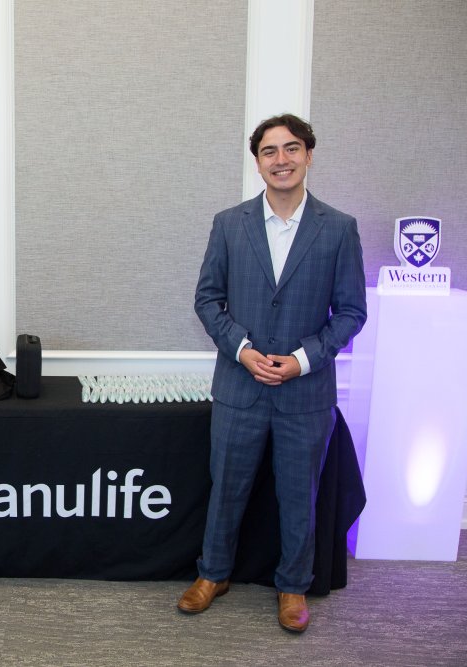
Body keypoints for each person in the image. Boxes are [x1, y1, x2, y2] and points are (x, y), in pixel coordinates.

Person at [178, 114, 366, 632]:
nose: (281, 159)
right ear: (257, 162)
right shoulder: (228, 224)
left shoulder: (339, 228)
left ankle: (293, 585)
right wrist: (242, 350)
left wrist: (302, 359)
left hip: (306, 394)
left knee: (299, 496)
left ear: (309, 155)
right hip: (239, 386)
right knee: (226, 489)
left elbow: (352, 312)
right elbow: (207, 299)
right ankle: (212, 574)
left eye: (291, 148)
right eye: (269, 151)